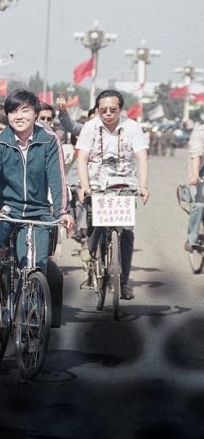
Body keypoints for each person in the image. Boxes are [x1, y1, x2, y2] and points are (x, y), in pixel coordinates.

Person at [0, 89, 73, 311]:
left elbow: (57, 178)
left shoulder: (49, 140)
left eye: (25, 111)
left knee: (34, 264)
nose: (19, 117)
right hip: (4, 211)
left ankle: (31, 311)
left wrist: (62, 211)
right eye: (12, 111)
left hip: (38, 212)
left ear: (36, 113)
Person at [76, 90, 149, 300]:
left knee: (126, 233)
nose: (108, 114)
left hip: (124, 183)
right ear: (98, 110)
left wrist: (143, 185)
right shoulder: (90, 127)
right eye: (103, 110)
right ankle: (91, 254)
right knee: (95, 224)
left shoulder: (132, 127)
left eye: (113, 110)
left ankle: (123, 282)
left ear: (120, 109)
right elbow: (82, 159)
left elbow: (141, 157)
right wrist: (84, 185)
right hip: (97, 183)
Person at [185, 122, 204, 252]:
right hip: (201, 174)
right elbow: (196, 155)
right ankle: (192, 238)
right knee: (200, 204)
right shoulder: (200, 132)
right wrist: (195, 175)